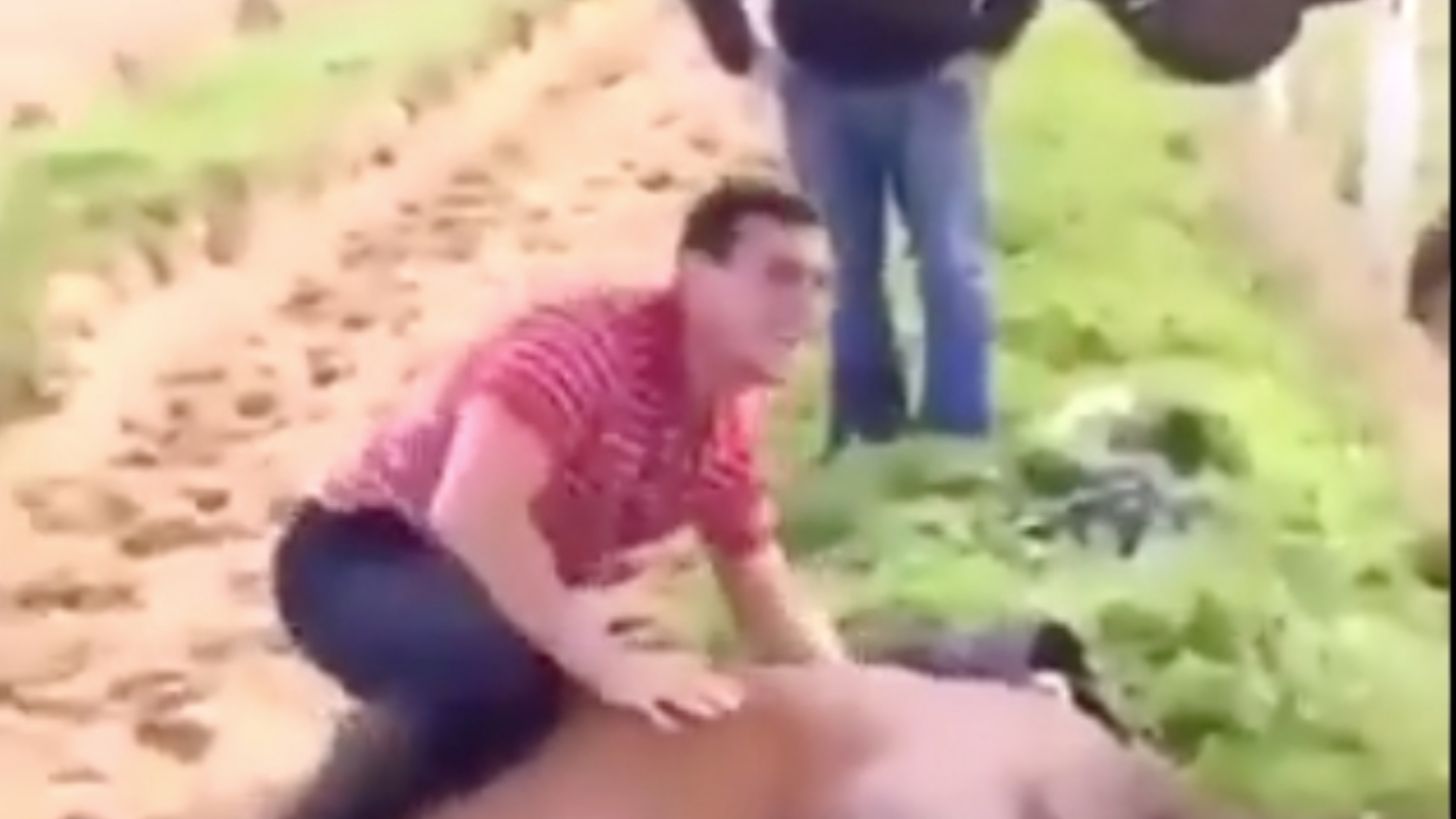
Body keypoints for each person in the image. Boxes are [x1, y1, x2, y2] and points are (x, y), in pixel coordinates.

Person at [271, 179, 848, 819]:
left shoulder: (728, 420)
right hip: (364, 553)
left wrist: (857, 705)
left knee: (600, 679)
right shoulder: (583, 357)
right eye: (780, 276)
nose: (807, 305)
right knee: (500, 680)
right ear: (694, 276)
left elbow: (760, 586)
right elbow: (470, 511)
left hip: (483, 579)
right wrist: (601, 660)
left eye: (821, 284)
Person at [683, 0, 1044, 453]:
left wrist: (993, 39)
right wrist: (740, 50)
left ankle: (957, 438)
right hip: (818, 85)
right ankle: (866, 427)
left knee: (950, 264)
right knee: (840, 267)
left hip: (935, 81)